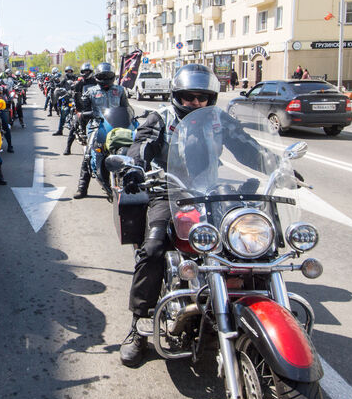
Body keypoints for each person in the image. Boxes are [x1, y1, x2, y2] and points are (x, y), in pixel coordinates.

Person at [118, 64, 277, 366]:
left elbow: (246, 146)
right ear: (177, 95)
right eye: (188, 97)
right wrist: (134, 167)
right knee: (153, 248)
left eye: (202, 97)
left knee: (250, 241)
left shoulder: (218, 120)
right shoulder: (161, 118)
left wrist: (276, 165)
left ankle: (254, 305)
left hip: (210, 191)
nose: (195, 103)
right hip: (167, 191)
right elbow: (141, 146)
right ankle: (139, 324)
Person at [73, 62, 130, 199]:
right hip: (97, 126)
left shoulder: (120, 90)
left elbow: (126, 108)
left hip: (116, 125)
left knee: (130, 149)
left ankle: (130, 183)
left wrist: (130, 119)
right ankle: (82, 188)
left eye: (108, 75)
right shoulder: (91, 91)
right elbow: (82, 109)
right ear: (97, 77)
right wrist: (78, 98)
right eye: (102, 76)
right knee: (88, 155)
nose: (105, 78)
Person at [63, 62, 97, 155]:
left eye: (87, 71)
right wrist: (77, 105)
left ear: (91, 71)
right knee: (74, 125)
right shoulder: (79, 83)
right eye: (84, 71)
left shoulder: (95, 81)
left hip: (94, 105)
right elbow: (75, 94)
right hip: (83, 107)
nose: (86, 73)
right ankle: (68, 148)